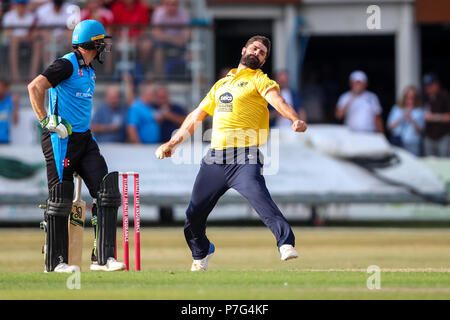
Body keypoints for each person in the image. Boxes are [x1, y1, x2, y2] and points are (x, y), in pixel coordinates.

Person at [155, 35, 307, 271]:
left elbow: (278, 101)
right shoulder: (220, 85)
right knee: (193, 215)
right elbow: (197, 115)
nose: (257, 53)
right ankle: (202, 252)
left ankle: (285, 243)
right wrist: (173, 143)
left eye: (262, 53)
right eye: (255, 49)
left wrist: (294, 118)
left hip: (245, 156)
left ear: (264, 61)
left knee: (259, 197)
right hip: (215, 158)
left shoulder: (260, 80)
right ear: (244, 49)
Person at [27, 20, 126, 273]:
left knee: (107, 191)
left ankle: (103, 259)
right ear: (92, 43)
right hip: (61, 139)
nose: (104, 47)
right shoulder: (66, 64)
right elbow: (35, 86)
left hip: (84, 138)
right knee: (61, 198)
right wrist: (46, 121)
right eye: (101, 43)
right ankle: (56, 262)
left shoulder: (89, 69)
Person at [151, 0, 190, 78]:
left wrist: (184, 38)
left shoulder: (183, 14)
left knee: (191, 51)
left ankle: (188, 77)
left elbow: (188, 33)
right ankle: (160, 78)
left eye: (173, 4)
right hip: (164, 42)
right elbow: (157, 34)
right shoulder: (159, 13)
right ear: (164, 4)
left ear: (177, 5)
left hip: (179, 42)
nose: (171, 7)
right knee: (158, 50)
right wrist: (174, 40)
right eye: (168, 4)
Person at [2, 0, 38, 82]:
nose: (21, 7)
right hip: (11, 43)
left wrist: (26, 38)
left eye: (23, 5)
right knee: (14, 42)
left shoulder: (31, 16)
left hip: (27, 42)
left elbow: (34, 33)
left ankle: (32, 76)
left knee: (38, 43)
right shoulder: (8, 16)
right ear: (15, 5)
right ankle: (16, 76)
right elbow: (8, 34)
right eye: (19, 4)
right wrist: (20, 38)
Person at [387, 86, 425, 156]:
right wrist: (402, 117)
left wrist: (412, 120)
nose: (410, 99)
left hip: (413, 142)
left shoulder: (419, 111)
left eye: (412, 97)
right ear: (404, 97)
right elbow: (389, 127)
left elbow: (421, 131)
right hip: (397, 141)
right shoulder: (396, 108)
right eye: (408, 96)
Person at [422, 73, 450, 157]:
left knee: (444, 162)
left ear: (436, 84)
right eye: (426, 86)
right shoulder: (425, 98)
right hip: (429, 136)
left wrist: (434, 117)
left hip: (443, 136)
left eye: (430, 86)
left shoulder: (445, 96)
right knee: (430, 162)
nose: (428, 89)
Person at [0, 79, 19, 144]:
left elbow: (15, 121)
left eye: (1, 87)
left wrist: (15, 105)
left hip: (5, 140)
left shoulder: (10, 101)